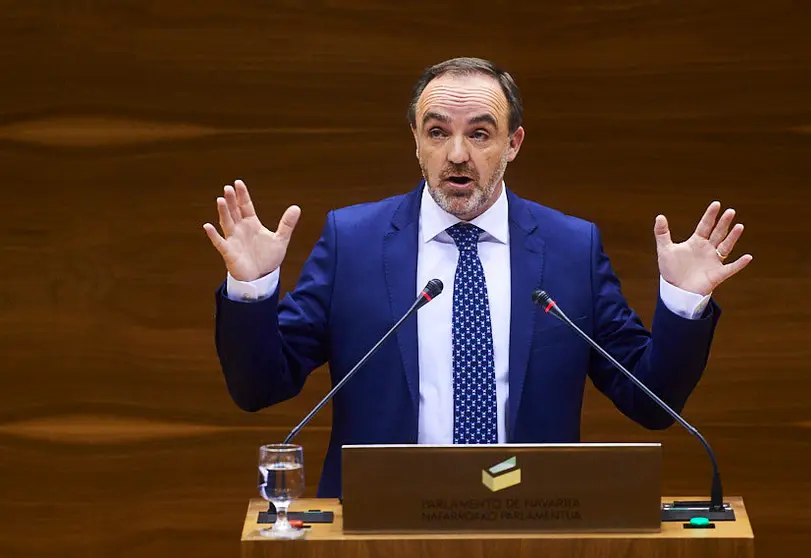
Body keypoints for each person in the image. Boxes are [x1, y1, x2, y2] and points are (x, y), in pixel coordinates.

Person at [203, 57, 752, 498]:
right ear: (415, 142)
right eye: (437, 132)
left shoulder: (569, 247)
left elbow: (651, 403)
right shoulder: (354, 241)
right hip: (376, 531)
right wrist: (251, 291)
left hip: (535, 523)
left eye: (481, 134)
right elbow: (259, 389)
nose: (457, 155)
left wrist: (683, 301)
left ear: (513, 143)